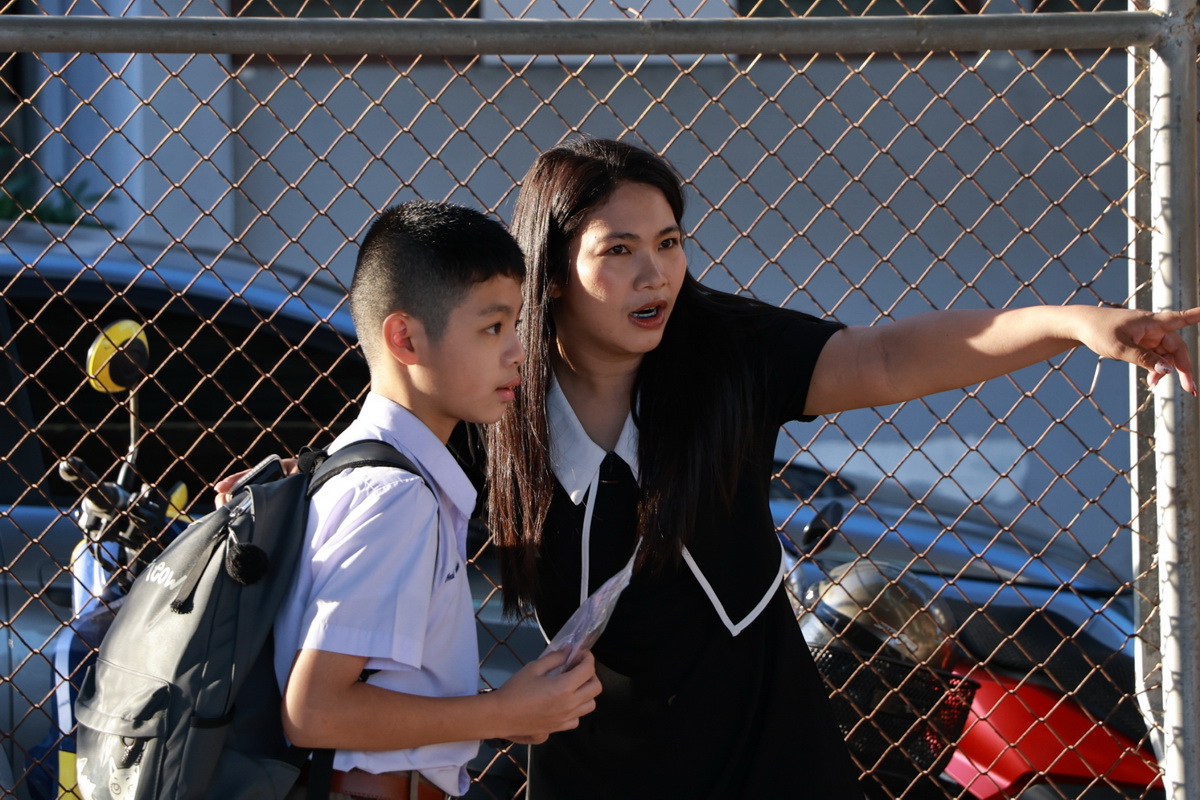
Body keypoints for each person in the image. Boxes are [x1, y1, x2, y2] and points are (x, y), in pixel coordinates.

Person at [483, 137, 1200, 799]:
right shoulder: (498, 398)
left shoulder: (727, 351)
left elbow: (883, 358)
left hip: (768, 751)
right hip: (596, 769)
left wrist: (1070, 324)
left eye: (669, 243)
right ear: (552, 274)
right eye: (619, 250)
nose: (655, 274)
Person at [273, 200, 601, 800]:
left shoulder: (356, 466)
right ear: (405, 338)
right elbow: (314, 711)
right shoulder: (394, 496)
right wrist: (503, 712)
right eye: (492, 328)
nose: (517, 351)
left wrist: (503, 711)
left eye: (516, 325)